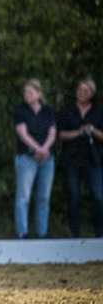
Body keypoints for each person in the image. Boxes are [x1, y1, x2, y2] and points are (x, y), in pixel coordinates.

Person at [57, 77, 103, 238]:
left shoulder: (98, 110)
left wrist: (92, 130)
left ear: (91, 93)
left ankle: (99, 233)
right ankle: (75, 234)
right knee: (74, 196)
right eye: (79, 89)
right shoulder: (68, 108)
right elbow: (60, 133)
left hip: (93, 159)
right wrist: (79, 131)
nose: (81, 93)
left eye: (85, 91)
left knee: (97, 197)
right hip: (71, 159)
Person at [12, 78, 56, 239]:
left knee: (43, 197)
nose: (27, 95)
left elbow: (52, 132)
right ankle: (22, 233)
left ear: (39, 93)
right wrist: (39, 149)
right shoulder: (20, 110)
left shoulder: (48, 111)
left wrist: (44, 150)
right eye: (25, 92)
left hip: (47, 159)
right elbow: (22, 133)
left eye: (30, 92)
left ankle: (41, 233)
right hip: (27, 158)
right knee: (23, 197)